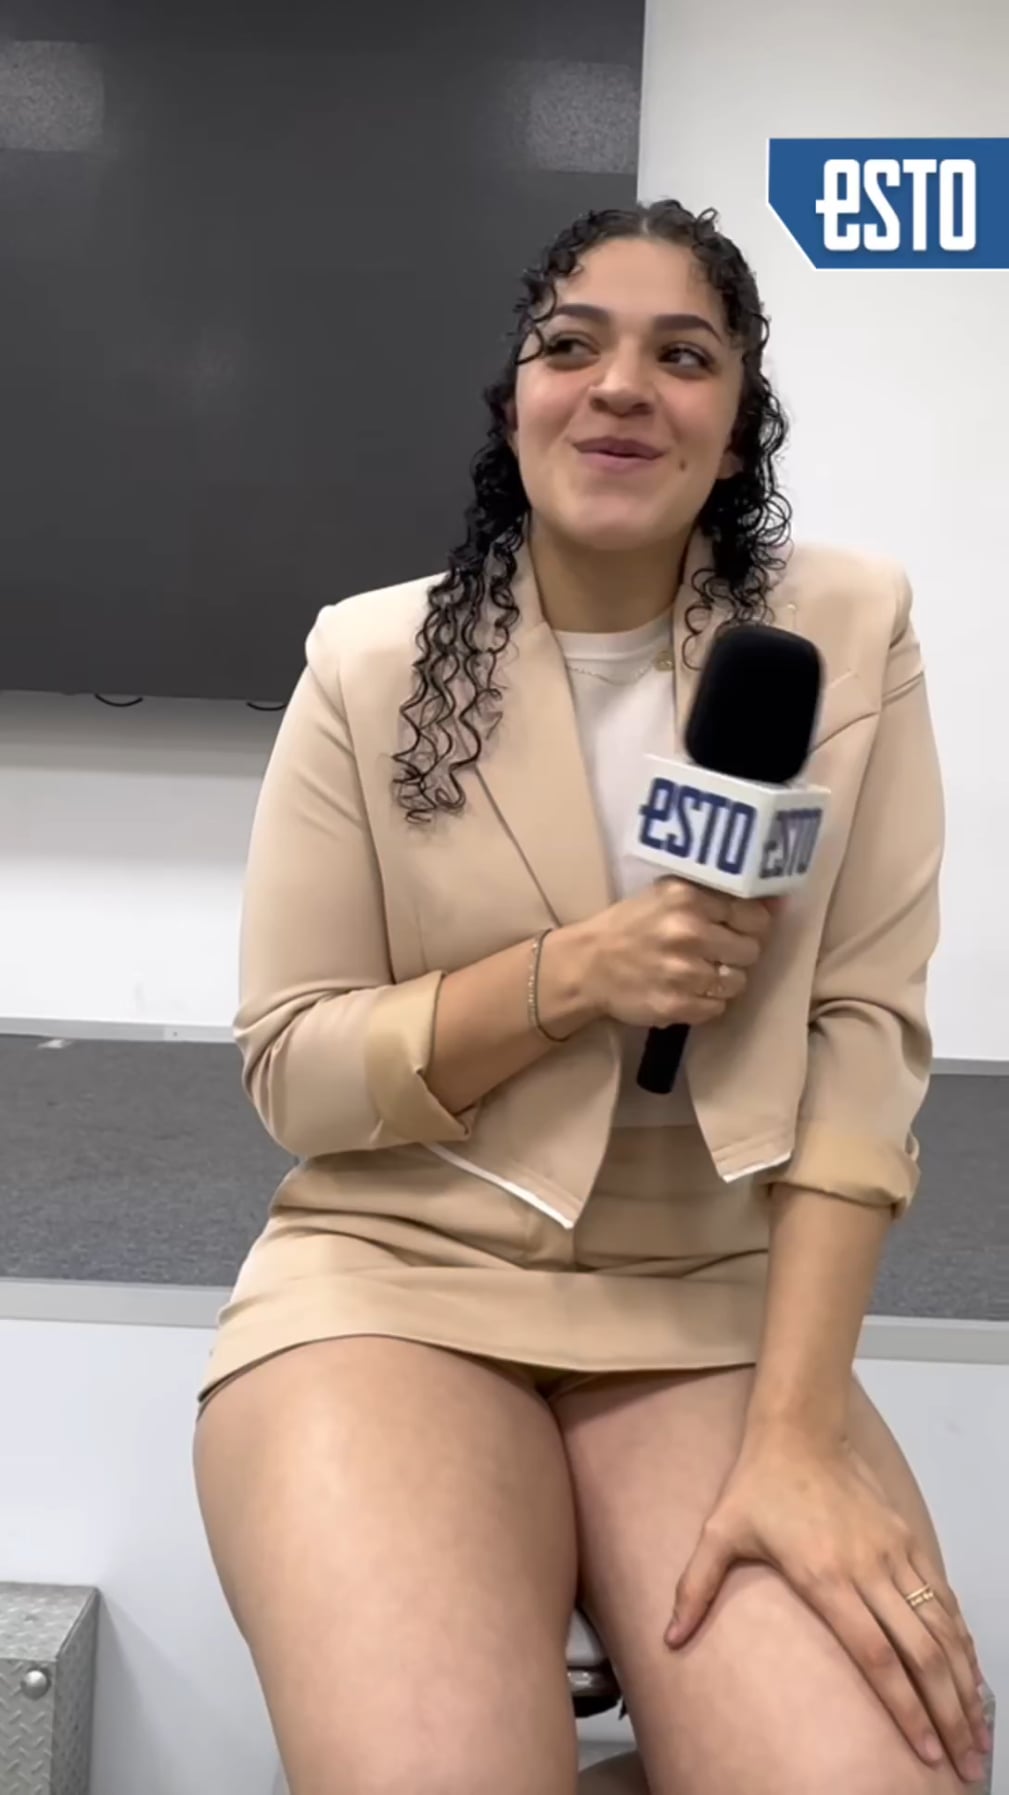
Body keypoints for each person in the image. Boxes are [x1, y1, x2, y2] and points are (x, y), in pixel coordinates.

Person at [192, 198, 989, 1795]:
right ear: (517, 402)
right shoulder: (370, 662)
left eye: (681, 355)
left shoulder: (840, 631)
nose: (620, 385)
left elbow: (859, 1042)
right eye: (572, 346)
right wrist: (571, 977)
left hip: (708, 1292)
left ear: (736, 425)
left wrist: (795, 1436)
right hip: (398, 1270)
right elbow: (296, 1068)